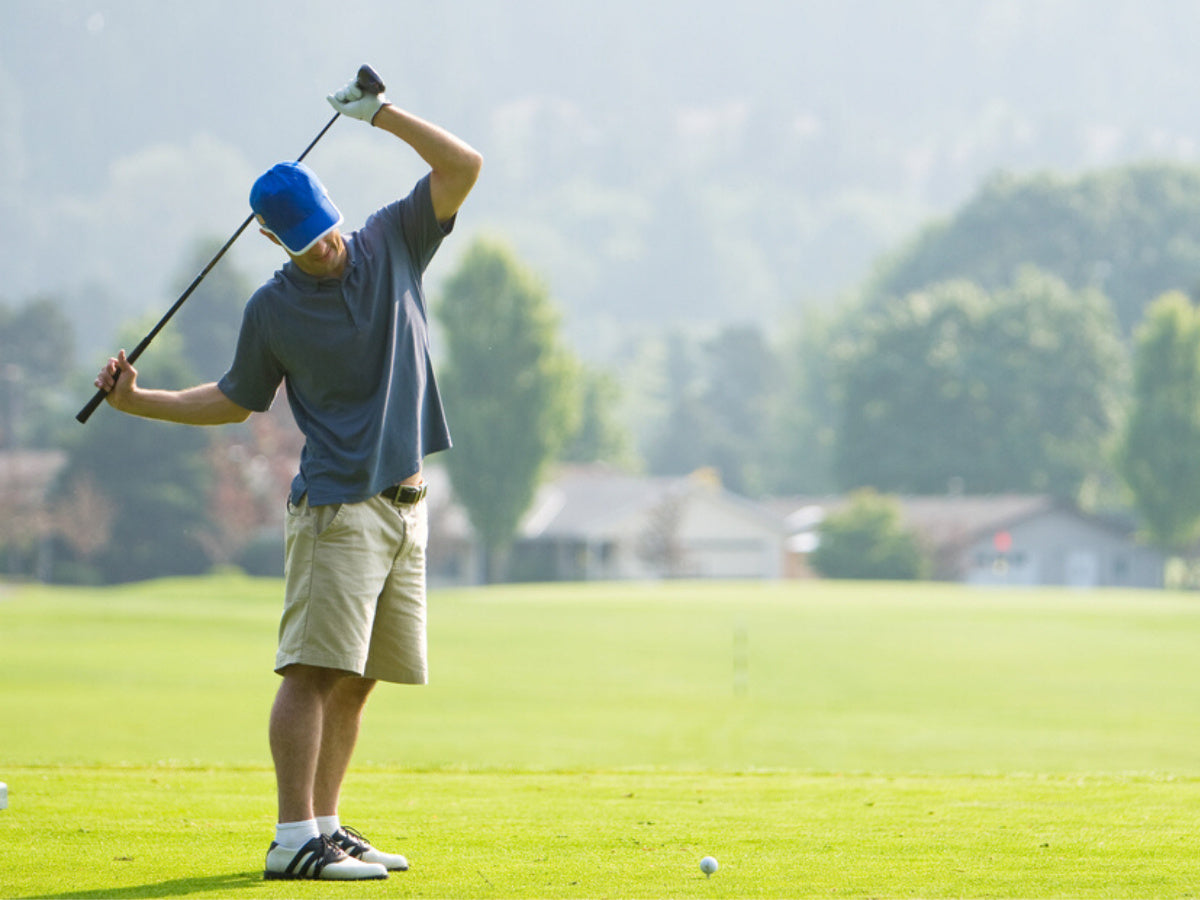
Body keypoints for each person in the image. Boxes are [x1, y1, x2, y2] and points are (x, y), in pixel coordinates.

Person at [94, 70, 482, 881]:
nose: (327, 246)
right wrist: (137, 403)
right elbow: (234, 402)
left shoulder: (392, 239)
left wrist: (380, 115)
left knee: (359, 678)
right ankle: (290, 837)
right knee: (311, 671)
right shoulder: (272, 310)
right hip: (337, 509)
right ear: (275, 241)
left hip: (405, 506)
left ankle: (326, 826)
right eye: (306, 240)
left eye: (328, 229)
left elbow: (463, 167)